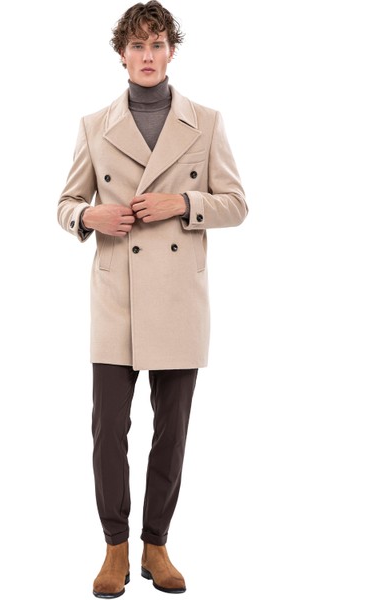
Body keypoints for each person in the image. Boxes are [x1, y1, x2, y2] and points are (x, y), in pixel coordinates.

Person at [57, 1, 248, 596]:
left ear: (171, 51)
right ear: (122, 54)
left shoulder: (206, 122)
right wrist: (90, 216)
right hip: (115, 295)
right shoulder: (94, 124)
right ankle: (114, 546)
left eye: (157, 44)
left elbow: (237, 204)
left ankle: (156, 545)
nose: (147, 55)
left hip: (179, 299)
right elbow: (65, 204)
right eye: (137, 45)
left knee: (172, 431)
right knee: (108, 429)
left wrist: (183, 204)